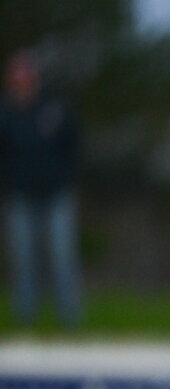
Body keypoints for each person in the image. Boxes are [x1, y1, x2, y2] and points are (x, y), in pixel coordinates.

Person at [0, 49, 82, 328]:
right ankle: (25, 321)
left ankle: (70, 321)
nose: (22, 79)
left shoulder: (54, 107)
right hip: (21, 196)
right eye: (17, 74)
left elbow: (73, 144)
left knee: (62, 257)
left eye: (27, 73)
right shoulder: (6, 111)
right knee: (23, 260)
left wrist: (65, 177)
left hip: (56, 195)